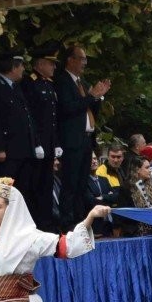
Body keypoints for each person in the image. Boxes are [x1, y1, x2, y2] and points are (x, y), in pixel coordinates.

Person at [54, 45, 109, 226]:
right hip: (71, 140)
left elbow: (90, 109)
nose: (85, 63)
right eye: (81, 58)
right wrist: (90, 96)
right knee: (69, 183)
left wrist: (98, 97)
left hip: (86, 139)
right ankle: (67, 222)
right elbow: (68, 108)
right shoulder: (62, 81)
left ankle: (80, 220)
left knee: (81, 183)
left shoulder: (83, 83)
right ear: (70, 59)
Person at [0, 51, 37, 226]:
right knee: (3, 191)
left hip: (22, 148)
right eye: (20, 66)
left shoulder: (15, 87)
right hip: (7, 150)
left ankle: (18, 225)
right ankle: (1, 226)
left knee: (22, 191)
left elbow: (26, 118)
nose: (23, 70)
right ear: (13, 67)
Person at [19, 45, 64, 230]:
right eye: (51, 63)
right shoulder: (29, 84)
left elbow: (52, 119)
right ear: (40, 64)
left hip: (48, 144)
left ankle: (46, 221)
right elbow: (30, 117)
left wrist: (56, 143)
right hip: (34, 146)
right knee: (34, 185)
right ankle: (35, 222)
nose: (54, 67)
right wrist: (36, 142)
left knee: (46, 184)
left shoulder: (48, 84)